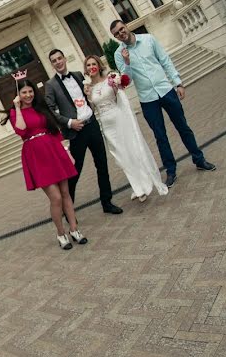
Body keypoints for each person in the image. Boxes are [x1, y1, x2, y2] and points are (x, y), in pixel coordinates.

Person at [110, 20, 216, 187]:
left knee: (183, 127)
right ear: (115, 37)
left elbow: (165, 60)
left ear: (127, 27)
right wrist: (127, 62)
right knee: (160, 137)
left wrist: (178, 83)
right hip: (147, 99)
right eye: (116, 33)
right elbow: (126, 80)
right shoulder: (119, 54)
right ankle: (171, 171)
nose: (120, 33)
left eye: (121, 29)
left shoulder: (148, 39)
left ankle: (199, 159)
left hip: (166, 90)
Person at [5, 79, 86, 250]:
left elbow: (54, 131)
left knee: (65, 193)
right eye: (24, 92)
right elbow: (20, 130)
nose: (28, 95)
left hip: (53, 149)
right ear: (18, 95)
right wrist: (18, 107)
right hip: (35, 155)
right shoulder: (15, 112)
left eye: (30, 91)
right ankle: (60, 233)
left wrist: (66, 151)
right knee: (55, 198)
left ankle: (74, 229)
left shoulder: (41, 107)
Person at [44, 49, 123, 214]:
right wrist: (70, 123)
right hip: (76, 132)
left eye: (60, 58)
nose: (58, 62)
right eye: (54, 60)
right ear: (52, 64)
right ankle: (68, 210)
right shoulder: (51, 85)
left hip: (92, 124)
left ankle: (107, 202)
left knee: (102, 164)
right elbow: (50, 110)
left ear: (65, 59)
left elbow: (89, 95)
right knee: (74, 171)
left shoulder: (79, 75)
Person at [82, 55, 168, 202]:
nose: (91, 67)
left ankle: (143, 185)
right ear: (86, 69)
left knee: (131, 150)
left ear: (99, 65)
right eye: (88, 65)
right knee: (121, 156)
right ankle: (137, 187)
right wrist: (87, 96)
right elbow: (91, 109)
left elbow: (122, 99)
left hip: (119, 118)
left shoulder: (110, 79)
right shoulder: (89, 88)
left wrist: (117, 85)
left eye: (94, 64)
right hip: (106, 125)